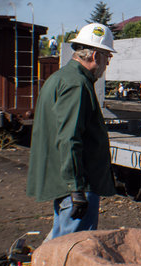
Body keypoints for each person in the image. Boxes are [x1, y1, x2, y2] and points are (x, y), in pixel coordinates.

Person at [27, 22, 117, 240]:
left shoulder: (60, 78)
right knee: (73, 248)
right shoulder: (77, 84)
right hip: (78, 183)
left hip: (67, 181)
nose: (107, 64)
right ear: (96, 55)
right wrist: (76, 188)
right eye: (108, 57)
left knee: (59, 242)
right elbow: (69, 137)